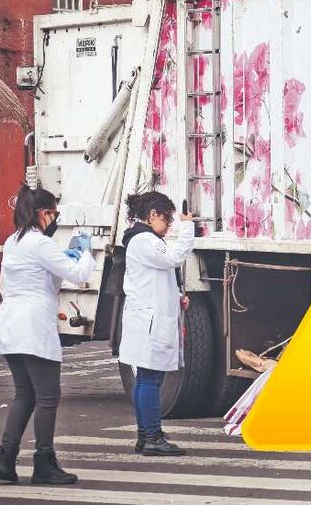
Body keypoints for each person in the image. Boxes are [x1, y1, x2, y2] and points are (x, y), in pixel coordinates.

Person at [0, 185, 94, 485]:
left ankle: (5, 458)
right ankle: (44, 463)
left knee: (24, 394)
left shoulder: (14, 242)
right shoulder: (40, 244)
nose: (56, 219)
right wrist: (85, 252)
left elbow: (20, 285)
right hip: (33, 326)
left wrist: (64, 261)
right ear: (42, 213)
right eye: (54, 213)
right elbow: (79, 274)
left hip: (10, 325)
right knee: (48, 397)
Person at [118, 191, 195, 457]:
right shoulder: (144, 240)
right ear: (152, 215)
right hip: (149, 321)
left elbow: (154, 278)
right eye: (168, 218)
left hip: (146, 317)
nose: (170, 223)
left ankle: (145, 435)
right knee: (151, 380)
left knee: (145, 380)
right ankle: (152, 436)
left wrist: (176, 298)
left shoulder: (140, 239)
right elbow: (173, 258)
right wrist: (187, 228)